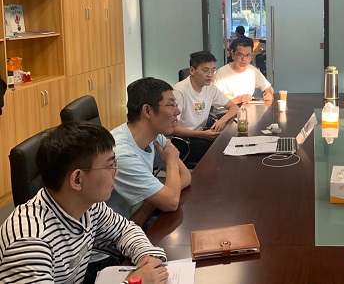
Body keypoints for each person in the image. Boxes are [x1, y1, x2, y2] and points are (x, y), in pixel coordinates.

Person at [0, 121, 168, 284]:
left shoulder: (89, 206)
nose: (116, 172)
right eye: (110, 165)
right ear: (77, 179)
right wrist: (134, 282)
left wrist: (146, 255)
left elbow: (124, 230)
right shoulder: (29, 242)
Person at [107, 78, 192, 219]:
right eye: (171, 105)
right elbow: (171, 202)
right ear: (147, 111)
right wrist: (171, 161)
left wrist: (152, 200)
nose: (177, 111)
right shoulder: (121, 154)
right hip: (122, 228)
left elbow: (186, 176)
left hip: (141, 215)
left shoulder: (155, 135)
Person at [173, 51, 239, 165]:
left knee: (231, 140)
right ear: (192, 70)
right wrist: (203, 135)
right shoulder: (179, 91)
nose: (210, 75)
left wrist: (222, 120)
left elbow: (233, 107)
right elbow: (172, 128)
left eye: (213, 70)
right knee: (222, 149)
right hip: (183, 141)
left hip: (201, 134)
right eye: (206, 70)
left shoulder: (210, 87)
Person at [214, 37, 274, 104]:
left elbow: (268, 87)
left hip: (248, 108)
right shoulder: (221, 73)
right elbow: (214, 100)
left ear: (251, 55)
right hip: (227, 110)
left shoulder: (252, 71)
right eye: (240, 55)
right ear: (233, 55)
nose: (243, 59)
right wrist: (238, 100)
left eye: (247, 55)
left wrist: (269, 94)